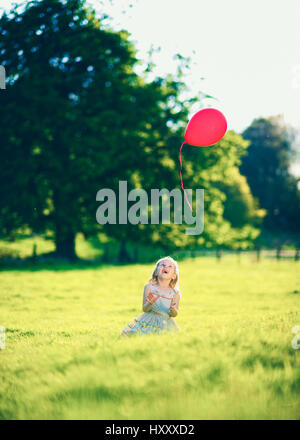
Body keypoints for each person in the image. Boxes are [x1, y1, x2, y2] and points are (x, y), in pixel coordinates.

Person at [120, 256, 181, 337]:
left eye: (170, 266)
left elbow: (175, 314)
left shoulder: (175, 293)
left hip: (166, 322)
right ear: (156, 272)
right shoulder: (149, 287)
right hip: (149, 319)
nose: (165, 267)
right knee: (139, 335)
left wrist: (173, 310)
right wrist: (150, 303)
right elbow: (145, 309)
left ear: (174, 276)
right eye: (163, 265)